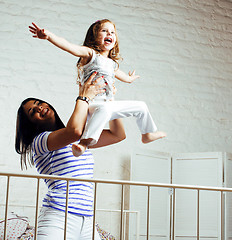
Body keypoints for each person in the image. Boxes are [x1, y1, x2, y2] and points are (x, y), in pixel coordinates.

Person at [28, 19, 166, 157]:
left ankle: (147, 134)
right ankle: (84, 143)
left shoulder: (112, 64)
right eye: (104, 31)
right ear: (94, 36)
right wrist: (49, 36)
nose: (109, 34)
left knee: (141, 106)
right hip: (93, 104)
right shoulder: (91, 54)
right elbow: (69, 46)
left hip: (108, 103)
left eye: (112, 32)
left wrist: (129, 79)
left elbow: (121, 75)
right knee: (104, 109)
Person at [15, 72, 126, 240]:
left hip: (88, 220)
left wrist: (110, 100)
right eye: (32, 112)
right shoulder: (40, 142)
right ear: (31, 124)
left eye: (39, 103)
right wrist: (83, 97)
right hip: (58, 217)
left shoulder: (80, 139)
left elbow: (118, 135)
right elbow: (73, 131)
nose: (39, 107)